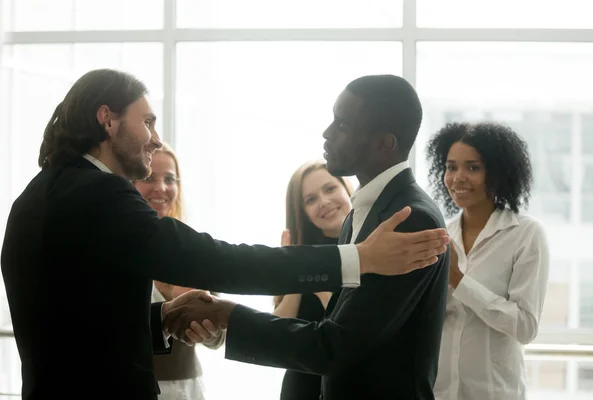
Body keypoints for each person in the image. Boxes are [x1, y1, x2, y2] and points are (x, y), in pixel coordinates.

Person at [0, 69, 449, 400]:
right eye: (148, 122)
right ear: (107, 120)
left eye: (342, 124)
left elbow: (76, 320)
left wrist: (165, 321)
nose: (156, 139)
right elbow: (210, 260)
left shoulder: (46, 191)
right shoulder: (96, 193)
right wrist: (359, 259)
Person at [166, 75, 451, 400]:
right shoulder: (364, 209)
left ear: (384, 143)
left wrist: (227, 315)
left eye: (342, 124)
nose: (327, 134)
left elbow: (334, 346)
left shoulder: (409, 219)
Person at [425, 122, 550, 400]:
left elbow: (525, 327)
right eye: (450, 166)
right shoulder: (441, 234)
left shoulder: (526, 235)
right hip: (439, 391)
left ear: (498, 173)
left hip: (494, 392)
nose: (458, 177)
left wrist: (457, 279)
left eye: (473, 167)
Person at [133, 142, 225, 400]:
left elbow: (218, 338)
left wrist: (206, 323)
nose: (161, 188)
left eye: (170, 179)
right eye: (149, 177)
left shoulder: (191, 248)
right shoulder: (117, 248)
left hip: (187, 390)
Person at [273, 159, 353, 400]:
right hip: (301, 386)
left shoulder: (372, 251)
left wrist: (316, 285)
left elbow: (353, 330)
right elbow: (277, 334)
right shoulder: (300, 253)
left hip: (352, 384)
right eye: (311, 200)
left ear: (346, 188)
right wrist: (296, 266)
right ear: (303, 212)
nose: (324, 202)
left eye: (330, 189)